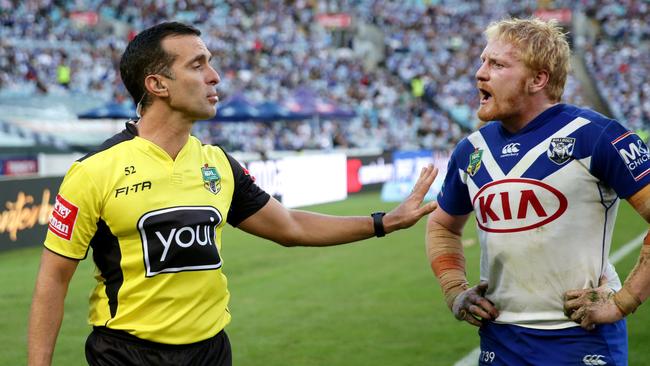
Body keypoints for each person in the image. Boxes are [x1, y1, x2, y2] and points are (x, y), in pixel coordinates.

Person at [27, 22, 438, 366]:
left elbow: (290, 225)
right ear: (157, 84)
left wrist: (384, 221)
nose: (215, 76)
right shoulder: (94, 170)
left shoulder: (217, 163)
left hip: (211, 352)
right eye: (198, 64)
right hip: (126, 355)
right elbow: (53, 277)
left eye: (211, 63)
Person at [426, 18, 650, 365]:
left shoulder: (596, 135)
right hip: (499, 340)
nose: (480, 74)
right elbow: (442, 226)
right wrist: (454, 289)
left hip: (581, 341)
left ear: (538, 79)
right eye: (483, 61)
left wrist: (625, 301)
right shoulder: (470, 151)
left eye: (497, 64)